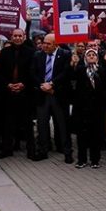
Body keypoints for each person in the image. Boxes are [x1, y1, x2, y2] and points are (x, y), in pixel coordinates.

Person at [32, 34, 73, 163]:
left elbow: (66, 73)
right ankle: (43, 150)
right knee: (42, 125)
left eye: (48, 44)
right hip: (42, 95)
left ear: (56, 44)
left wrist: (52, 84)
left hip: (58, 94)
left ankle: (67, 152)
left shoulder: (66, 54)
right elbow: (33, 72)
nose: (45, 45)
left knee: (63, 125)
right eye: (44, 42)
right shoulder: (38, 55)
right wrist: (42, 85)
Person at [0, 28, 36, 159]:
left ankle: (31, 151)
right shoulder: (5, 52)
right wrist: (7, 84)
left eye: (20, 36)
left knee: (28, 124)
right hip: (8, 92)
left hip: (25, 93)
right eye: (15, 36)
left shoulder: (31, 52)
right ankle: (7, 149)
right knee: (8, 123)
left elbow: (33, 72)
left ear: (24, 37)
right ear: (11, 37)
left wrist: (23, 84)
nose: (18, 38)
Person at [71, 49, 106, 168]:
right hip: (82, 108)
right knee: (82, 135)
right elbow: (72, 79)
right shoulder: (81, 70)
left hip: (97, 108)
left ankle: (95, 160)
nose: (91, 57)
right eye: (89, 55)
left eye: (93, 55)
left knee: (96, 135)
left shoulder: (101, 70)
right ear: (85, 58)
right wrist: (73, 65)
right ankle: (82, 160)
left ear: (97, 58)